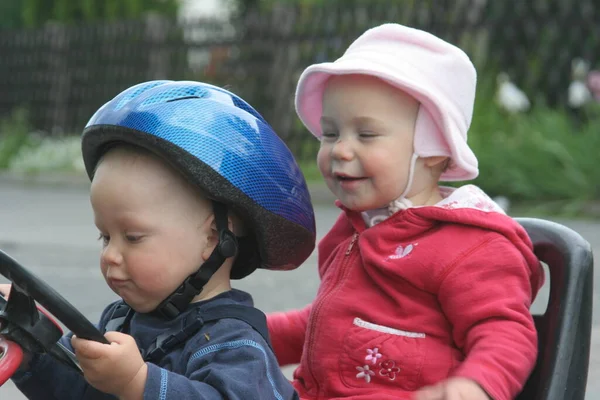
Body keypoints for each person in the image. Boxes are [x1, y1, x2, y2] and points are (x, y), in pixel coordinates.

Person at [266, 24, 544, 400]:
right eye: (330, 134)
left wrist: (474, 386)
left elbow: (503, 330)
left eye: (366, 135)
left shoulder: (471, 245)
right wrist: (247, 332)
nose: (340, 150)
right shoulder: (357, 230)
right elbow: (330, 322)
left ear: (433, 148)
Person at [1, 80, 316, 399]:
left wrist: (138, 383)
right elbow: (76, 389)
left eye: (133, 237)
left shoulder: (234, 345)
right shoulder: (120, 319)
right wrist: (31, 348)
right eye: (105, 236)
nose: (110, 255)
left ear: (211, 238)